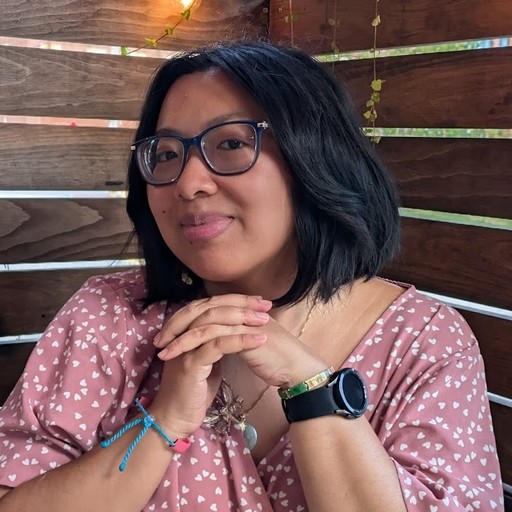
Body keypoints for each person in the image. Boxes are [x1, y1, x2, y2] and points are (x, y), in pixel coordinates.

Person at [0, 41, 504, 512]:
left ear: (315, 159)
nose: (190, 184)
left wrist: (312, 389)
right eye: (169, 154)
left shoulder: (423, 343)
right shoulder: (109, 316)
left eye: (232, 144)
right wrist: (165, 420)